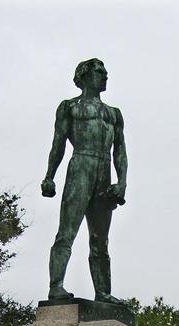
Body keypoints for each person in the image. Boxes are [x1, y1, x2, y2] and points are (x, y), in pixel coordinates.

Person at [41, 58, 127, 304]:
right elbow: (58, 144)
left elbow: (120, 151)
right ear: (84, 76)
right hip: (81, 165)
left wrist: (122, 182)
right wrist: (49, 176)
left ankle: (103, 292)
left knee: (100, 240)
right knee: (67, 232)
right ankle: (56, 286)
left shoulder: (114, 113)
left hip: (104, 172)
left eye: (105, 71)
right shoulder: (70, 107)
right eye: (100, 71)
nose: (105, 75)